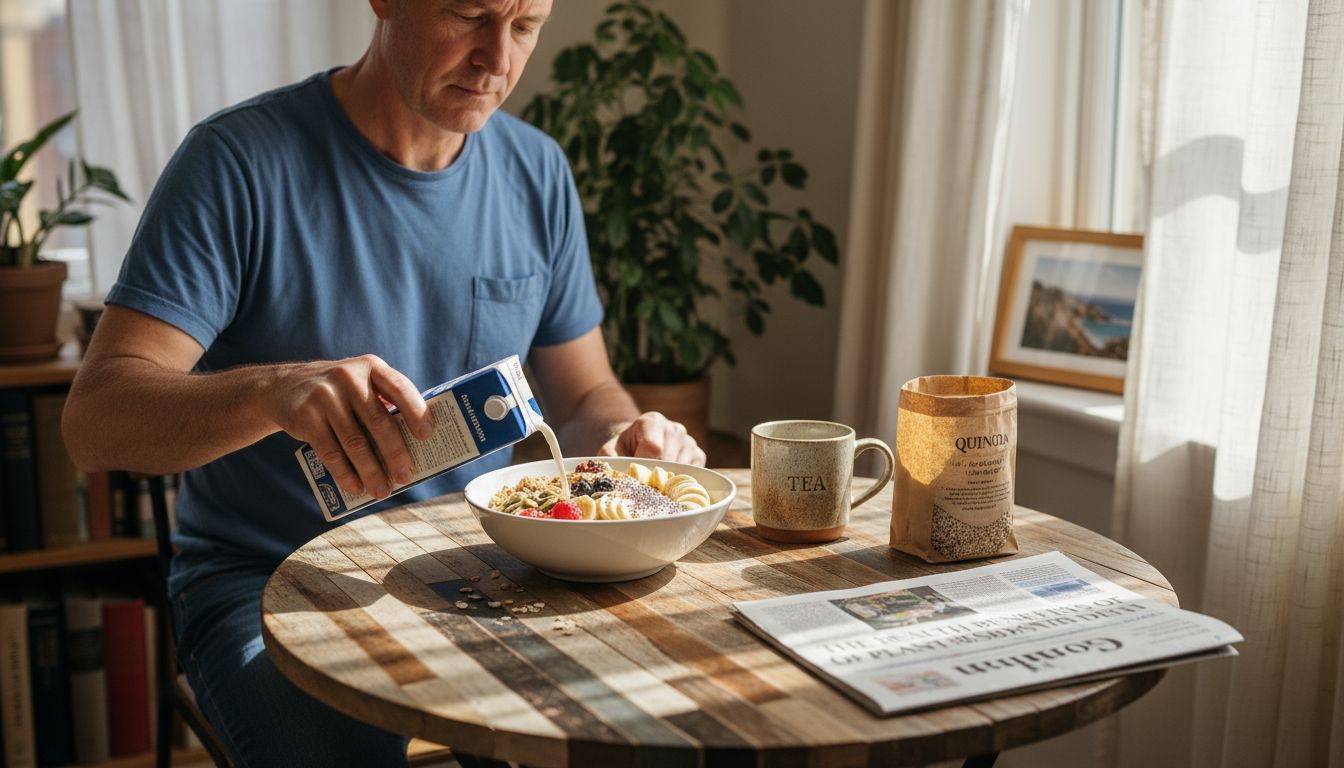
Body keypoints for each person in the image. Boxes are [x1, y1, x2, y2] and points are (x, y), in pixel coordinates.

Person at [62, 1, 704, 765]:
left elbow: (583, 394)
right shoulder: (237, 162)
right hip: (269, 575)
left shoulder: (537, 172)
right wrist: (271, 391)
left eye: (526, 24)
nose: (497, 58)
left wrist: (626, 437)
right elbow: (95, 420)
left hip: (484, 566)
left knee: (643, 734)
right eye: (470, 14)